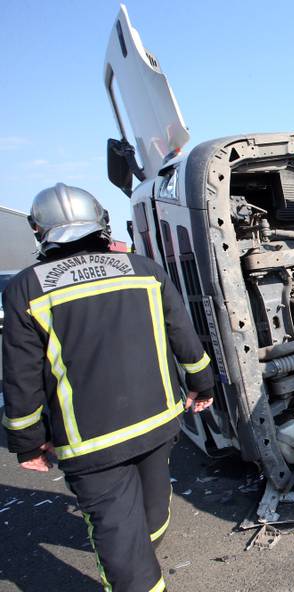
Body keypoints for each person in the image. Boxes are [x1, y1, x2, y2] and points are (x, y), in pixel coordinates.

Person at [2, 184, 215, 592]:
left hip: (90, 443)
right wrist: (202, 384)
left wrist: (28, 441)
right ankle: (142, 549)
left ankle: (136, 562)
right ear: (103, 222)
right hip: (159, 422)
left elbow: (21, 377)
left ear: (38, 231)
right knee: (153, 507)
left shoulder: (26, 290)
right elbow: (184, 337)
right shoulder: (144, 270)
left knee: (118, 530)